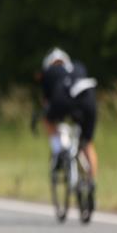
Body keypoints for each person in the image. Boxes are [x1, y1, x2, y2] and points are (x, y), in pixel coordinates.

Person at [38, 47, 98, 209]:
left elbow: (47, 103)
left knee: (48, 120)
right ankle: (91, 182)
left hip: (62, 99)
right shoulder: (78, 66)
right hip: (88, 98)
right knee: (87, 143)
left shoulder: (48, 72)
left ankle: (58, 152)